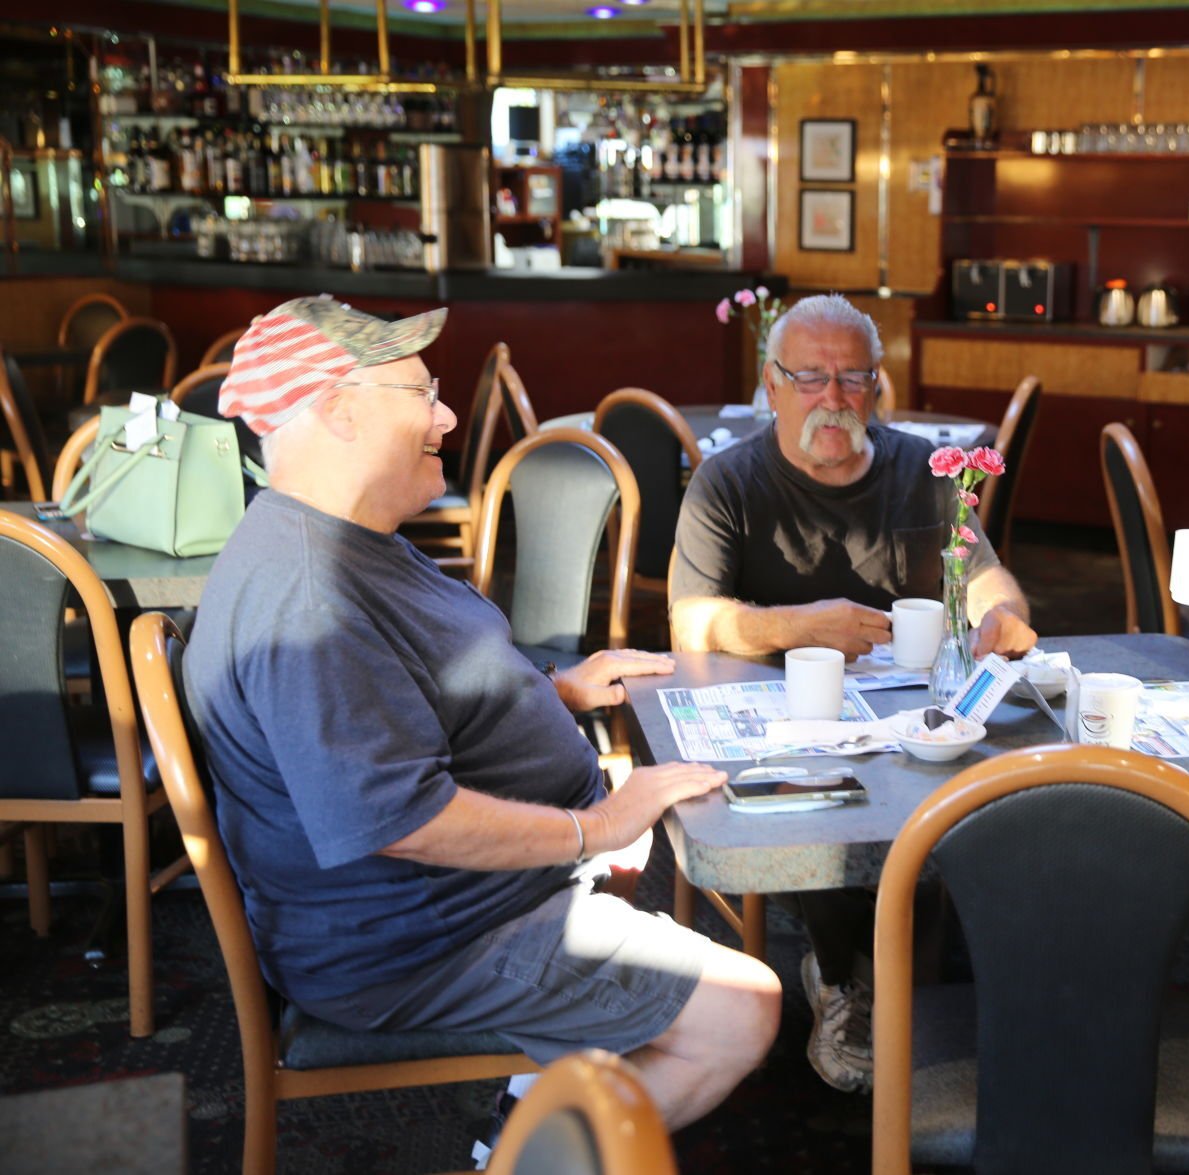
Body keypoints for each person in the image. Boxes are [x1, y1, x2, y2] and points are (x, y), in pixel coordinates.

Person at [182, 295, 780, 1145]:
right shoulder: (306, 602)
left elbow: (410, 688)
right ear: (339, 410)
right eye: (421, 392)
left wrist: (555, 693)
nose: (448, 412)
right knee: (743, 1009)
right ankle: (517, 1157)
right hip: (420, 941)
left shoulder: (341, 535)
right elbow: (403, 818)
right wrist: (598, 822)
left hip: (439, 908)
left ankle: (532, 1089)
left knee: (634, 844)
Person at [669, 293, 1038, 1092]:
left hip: (911, 717)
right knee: (832, 794)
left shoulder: (924, 473)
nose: (831, 398)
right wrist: (797, 625)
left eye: (851, 378)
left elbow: (984, 574)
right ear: (771, 386)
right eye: (810, 377)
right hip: (785, 719)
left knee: (1008, 779)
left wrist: (1002, 614)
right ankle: (843, 974)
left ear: (877, 387)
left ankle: (936, 968)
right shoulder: (727, 482)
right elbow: (689, 623)